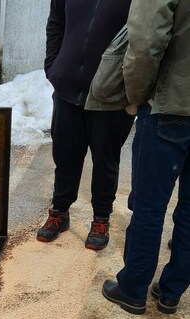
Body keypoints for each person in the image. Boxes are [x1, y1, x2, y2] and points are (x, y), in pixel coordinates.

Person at [102, 0, 190, 315]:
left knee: (149, 207)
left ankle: (132, 289)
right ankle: (171, 292)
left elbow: (145, 42)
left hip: (171, 107)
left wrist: (137, 97)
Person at [37, 0, 135, 250]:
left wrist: (131, 88)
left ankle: (101, 218)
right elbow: (56, 22)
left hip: (111, 94)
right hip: (68, 88)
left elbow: (144, 38)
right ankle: (60, 212)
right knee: (65, 154)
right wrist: (53, 65)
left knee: (106, 160)